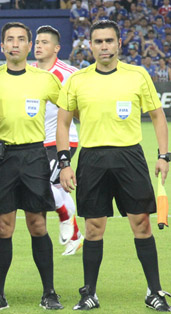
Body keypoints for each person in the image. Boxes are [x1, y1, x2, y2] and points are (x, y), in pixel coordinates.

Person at [57, 19, 171, 311]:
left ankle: (154, 291)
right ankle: (89, 294)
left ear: (119, 43)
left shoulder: (138, 75)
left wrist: (164, 155)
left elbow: (158, 116)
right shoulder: (77, 80)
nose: (104, 46)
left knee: (142, 223)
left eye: (109, 41)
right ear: (90, 45)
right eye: (98, 42)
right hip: (92, 159)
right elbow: (63, 121)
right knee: (94, 227)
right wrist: (64, 162)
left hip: (129, 157)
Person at [0, 22, 63, 310]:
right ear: (2, 46)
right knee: (3, 227)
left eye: (21, 39)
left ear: (30, 45)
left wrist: (63, 155)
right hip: (2, 159)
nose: (15, 44)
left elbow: (69, 110)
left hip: (33, 158)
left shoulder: (45, 79)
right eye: (9, 40)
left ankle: (49, 292)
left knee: (37, 224)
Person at [32, 25, 84, 256]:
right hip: (36, 141)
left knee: (47, 187)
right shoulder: (30, 72)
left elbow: (80, 107)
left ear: (56, 48)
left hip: (62, 140)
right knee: (57, 189)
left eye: (44, 42)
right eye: (37, 42)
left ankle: (66, 220)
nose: (38, 46)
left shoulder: (68, 73)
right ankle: (76, 235)